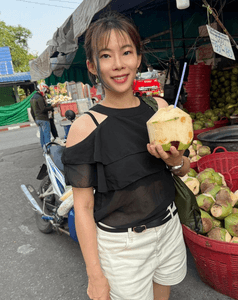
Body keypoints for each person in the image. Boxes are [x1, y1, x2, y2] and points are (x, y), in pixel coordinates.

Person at [62, 11, 189, 300]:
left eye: (126, 52)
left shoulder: (158, 109)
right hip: (123, 247)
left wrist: (175, 162)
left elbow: (183, 169)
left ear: (138, 57)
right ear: (93, 66)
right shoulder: (85, 127)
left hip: (168, 228)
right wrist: (95, 276)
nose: (119, 65)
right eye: (106, 56)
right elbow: (82, 207)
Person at [30, 83, 56, 149]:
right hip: (43, 119)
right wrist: (52, 106)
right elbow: (43, 109)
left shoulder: (32, 98)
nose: (45, 93)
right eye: (45, 91)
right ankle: (49, 149)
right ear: (43, 89)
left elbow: (31, 111)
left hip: (38, 119)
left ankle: (44, 149)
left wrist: (35, 120)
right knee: (47, 135)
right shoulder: (39, 98)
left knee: (42, 136)